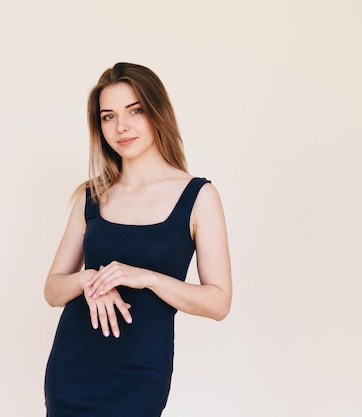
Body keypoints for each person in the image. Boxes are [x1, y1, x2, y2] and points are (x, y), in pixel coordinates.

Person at [43, 62, 232, 417]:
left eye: (135, 111)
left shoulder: (198, 196)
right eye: (108, 116)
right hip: (72, 368)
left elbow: (218, 302)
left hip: (140, 375)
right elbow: (52, 290)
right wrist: (87, 279)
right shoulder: (92, 196)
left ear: (157, 112)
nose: (121, 127)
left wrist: (145, 277)